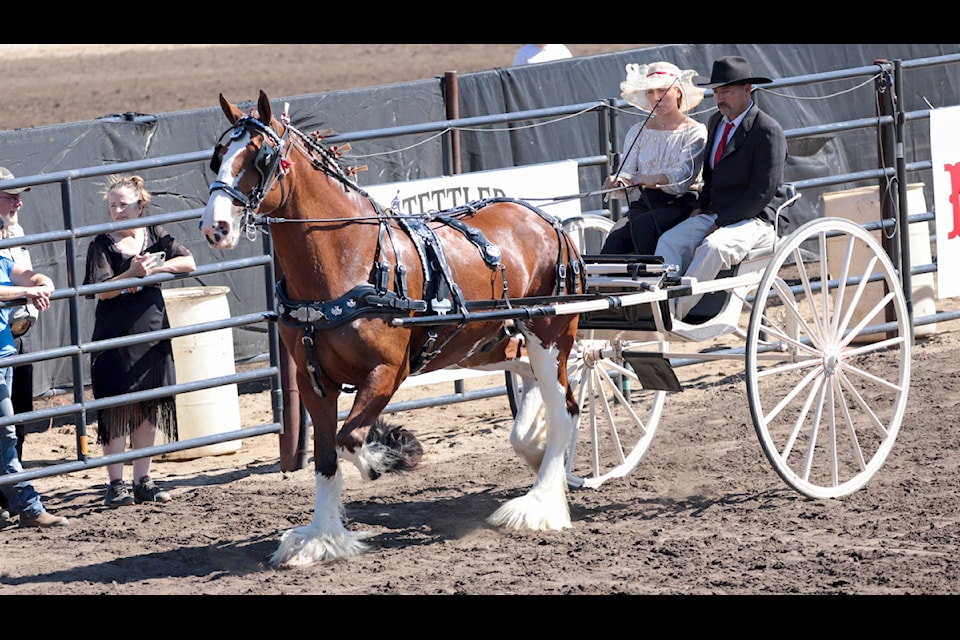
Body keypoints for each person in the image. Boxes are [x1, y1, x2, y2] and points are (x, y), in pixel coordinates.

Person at [82, 175, 196, 508]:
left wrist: (155, 268)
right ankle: (115, 484)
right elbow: (101, 291)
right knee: (117, 410)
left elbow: (188, 261)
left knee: (148, 407)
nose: (117, 211)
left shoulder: (155, 233)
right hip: (116, 335)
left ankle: (143, 479)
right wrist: (133, 275)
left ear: (140, 205)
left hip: (152, 330)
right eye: (112, 205)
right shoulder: (101, 244)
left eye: (123, 205)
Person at [653, 55, 788, 321]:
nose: (719, 97)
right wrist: (701, 208)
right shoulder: (716, 122)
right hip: (717, 213)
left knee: (714, 247)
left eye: (726, 91)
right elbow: (711, 176)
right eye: (716, 92)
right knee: (669, 241)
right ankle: (659, 307)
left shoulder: (767, 131)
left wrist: (723, 221)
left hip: (757, 219)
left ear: (747, 90)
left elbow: (762, 192)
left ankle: (675, 313)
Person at [0, 193, 67, 527]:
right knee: (6, 430)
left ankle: (23, 504)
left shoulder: (4, 253)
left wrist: (43, 283)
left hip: (4, 349)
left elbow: (25, 274)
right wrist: (29, 291)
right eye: (7, 198)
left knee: (7, 429)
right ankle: (28, 505)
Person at [599, 62, 708, 255]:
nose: (655, 97)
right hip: (646, 203)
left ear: (678, 92)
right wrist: (620, 180)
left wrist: (653, 178)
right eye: (650, 91)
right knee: (616, 236)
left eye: (662, 90)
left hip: (681, 204)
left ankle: (649, 280)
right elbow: (628, 169)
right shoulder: (638, 131)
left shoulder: (695, 131)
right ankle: (604, 284)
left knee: (643, 227)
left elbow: (683, 177)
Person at [0, 168, 39, 463]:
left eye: (19, 197)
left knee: (19, 411)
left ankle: (12, 487)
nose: (18, 203)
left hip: (19, 330)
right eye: (11, 197)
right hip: (5, 330)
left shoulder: (17, 232)